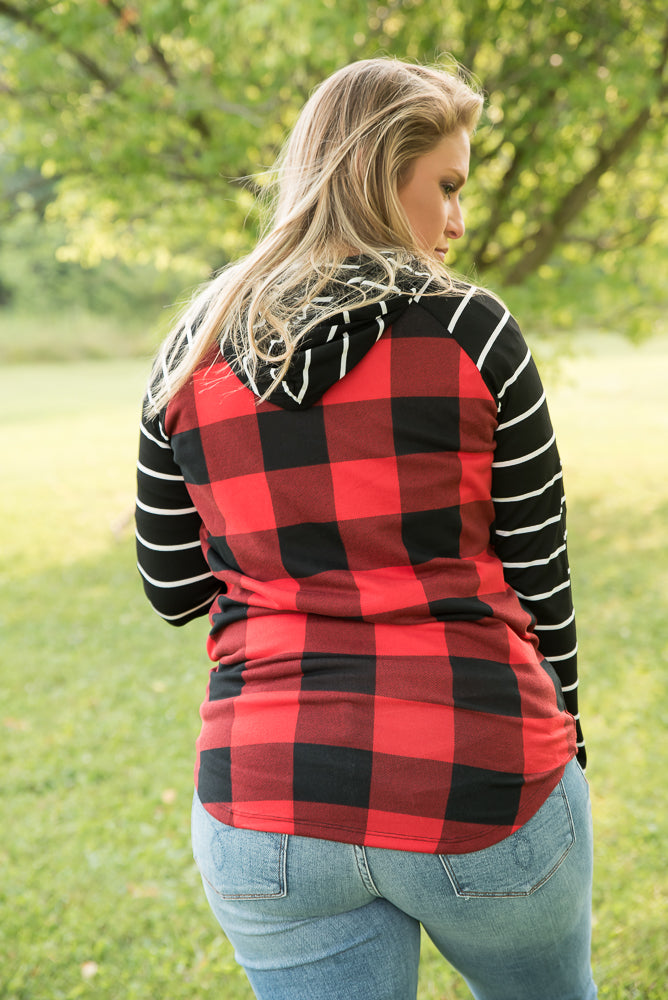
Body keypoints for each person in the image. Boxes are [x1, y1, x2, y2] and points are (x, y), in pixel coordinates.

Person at [135, 57, 596, 1000]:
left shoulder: (195, 344)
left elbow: (173, 588)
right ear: (386, 174)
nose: (458, 221)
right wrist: (569, 746)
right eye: (449, 187)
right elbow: (540, 577)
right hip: (484, 776)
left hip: (267, 796)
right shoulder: (476, 332)